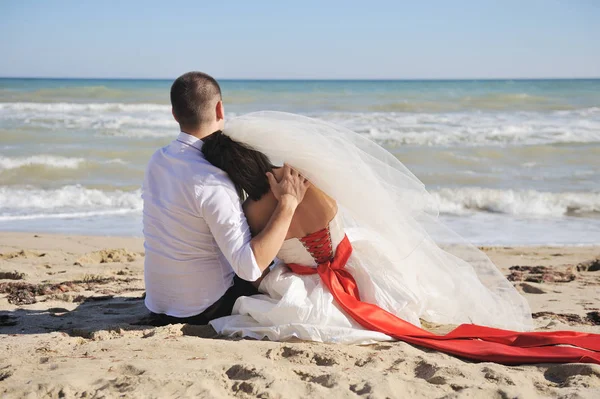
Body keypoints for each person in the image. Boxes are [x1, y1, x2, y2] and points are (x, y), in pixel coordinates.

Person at [202, 111, 600, 365]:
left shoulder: (251, 211)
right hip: (361, 267)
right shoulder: (307, 178)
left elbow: (260, 259)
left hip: (305, 286)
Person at [142, 72, 309, 326]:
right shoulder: (211, 180)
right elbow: (249, 267)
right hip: (204, 308)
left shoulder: (157, 160)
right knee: (277, 272)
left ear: (174, 114)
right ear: (220, 108)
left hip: (159, 302)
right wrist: (288, 203)